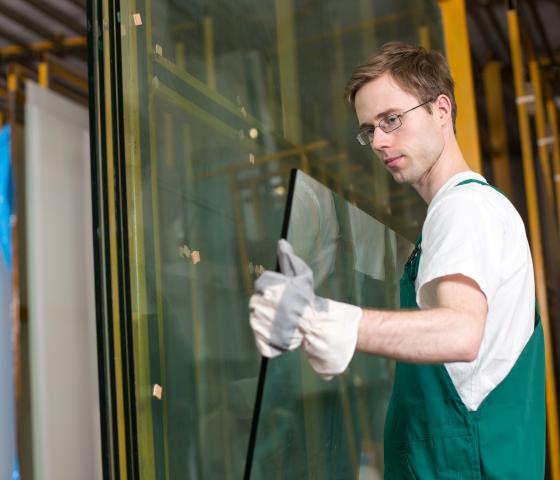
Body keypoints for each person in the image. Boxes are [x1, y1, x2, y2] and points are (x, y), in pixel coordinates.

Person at [249, 42, 545, 478]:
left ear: (441, 110)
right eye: (369, 130)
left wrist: (324, 318)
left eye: (392, 120)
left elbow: (461, 331)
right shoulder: (462, 211)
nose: (380, 142)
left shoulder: (463, 209)